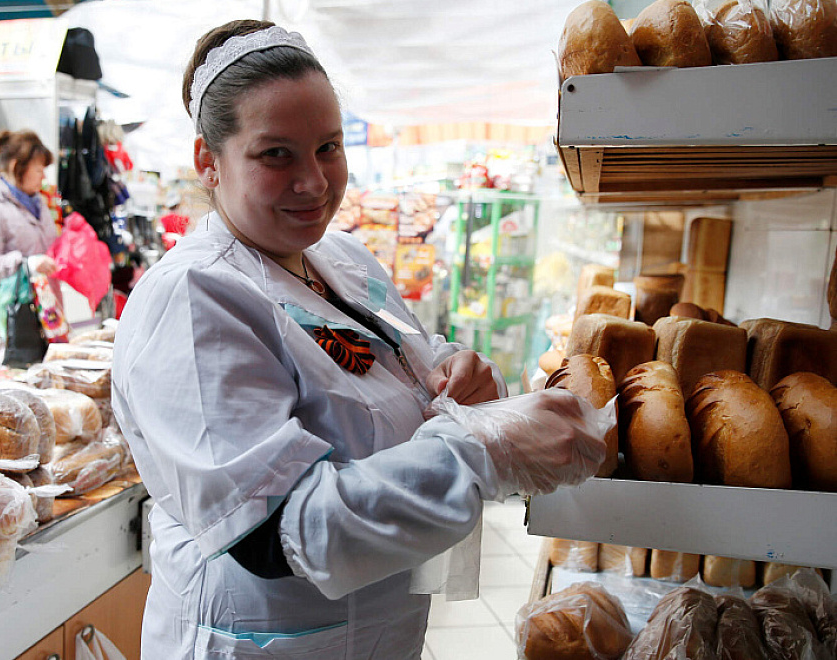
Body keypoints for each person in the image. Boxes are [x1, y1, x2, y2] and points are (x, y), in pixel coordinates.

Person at [111, 20, 609, 659]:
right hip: (262, 642)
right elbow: (275, 531)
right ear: (209, 161)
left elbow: (401, 361)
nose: (315, 182)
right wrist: (484, 451)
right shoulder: (194, 298)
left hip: (376, 632)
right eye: (276, 154)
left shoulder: (342, 260)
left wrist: (459, 374)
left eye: (328, 147)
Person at [0, 129, 61, 378]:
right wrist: (25, 264)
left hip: (45, 323)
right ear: (17, 167)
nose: (43, 177)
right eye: (38, 169)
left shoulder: (39, 204)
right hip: (8, 329)